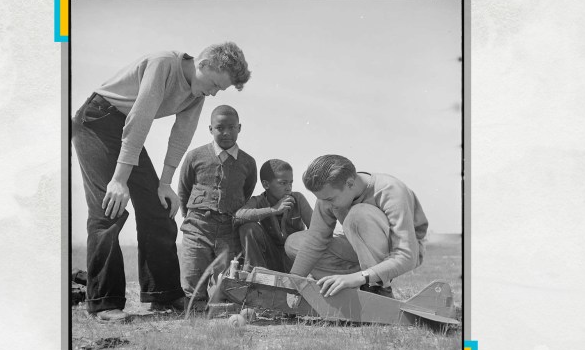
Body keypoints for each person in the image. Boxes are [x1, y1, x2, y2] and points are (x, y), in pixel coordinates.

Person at [72, 42, 251, 322]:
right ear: (203, 64)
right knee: (109, 208)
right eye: (215, 84)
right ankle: (104, 302)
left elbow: (181, 135)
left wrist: (165, 184)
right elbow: (140, 117)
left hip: (126, 128)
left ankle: (164, 294)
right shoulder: (163, 63)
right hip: (96, 120)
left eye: (220, 90)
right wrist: (119, 180)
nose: (214, 93)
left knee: (158, 207)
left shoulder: (197, 92)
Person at [285, 154, 428, 299]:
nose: (325, 204)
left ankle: (377, 288)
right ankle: (341, 285)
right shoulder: (327, 196)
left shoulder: (391, 190)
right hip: (360, 250)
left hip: (403, 252)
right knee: (295, 243)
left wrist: (363, 276)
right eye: (320, 199)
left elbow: (407, 255)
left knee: (357, 215)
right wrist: (293, 281)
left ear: (350, 184)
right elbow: (315, 240)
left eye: (329, 199)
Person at [177, 105, 257, 308]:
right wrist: (192, 220)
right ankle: (195, 307)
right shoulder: (194, 156)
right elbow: (183, 191)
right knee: (192, 278)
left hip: (229, 230)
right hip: (197, 227)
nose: (226, 132)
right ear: (210, 129)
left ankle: (219, 302)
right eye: (220, 127)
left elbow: (246, 192)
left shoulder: (248, 163)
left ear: (239, 128)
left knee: (228, 281)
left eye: (231, 127)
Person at [234, 159, 312, 272]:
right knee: (248, 228)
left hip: (294, 260)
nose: (288, 188)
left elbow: (317, 230)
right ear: (266, 184)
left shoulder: (298, 199)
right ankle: (256, 274)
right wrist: (274, 210)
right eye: (283, 183)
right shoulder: (259, 201)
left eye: (291, 182)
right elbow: (238, 216)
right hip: (270, 259)